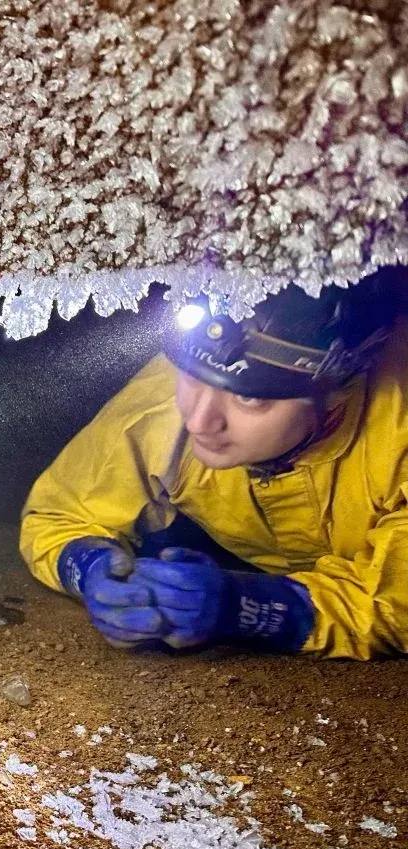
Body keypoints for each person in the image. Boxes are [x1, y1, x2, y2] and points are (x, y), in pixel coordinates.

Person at [20, 270, 408, 659]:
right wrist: (89, 566)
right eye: (192, 375)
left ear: (339, 393)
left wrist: (252, 607)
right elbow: (58, 515)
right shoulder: (161, 408)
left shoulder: (397, 432)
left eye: (250, 399)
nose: (198, 421)